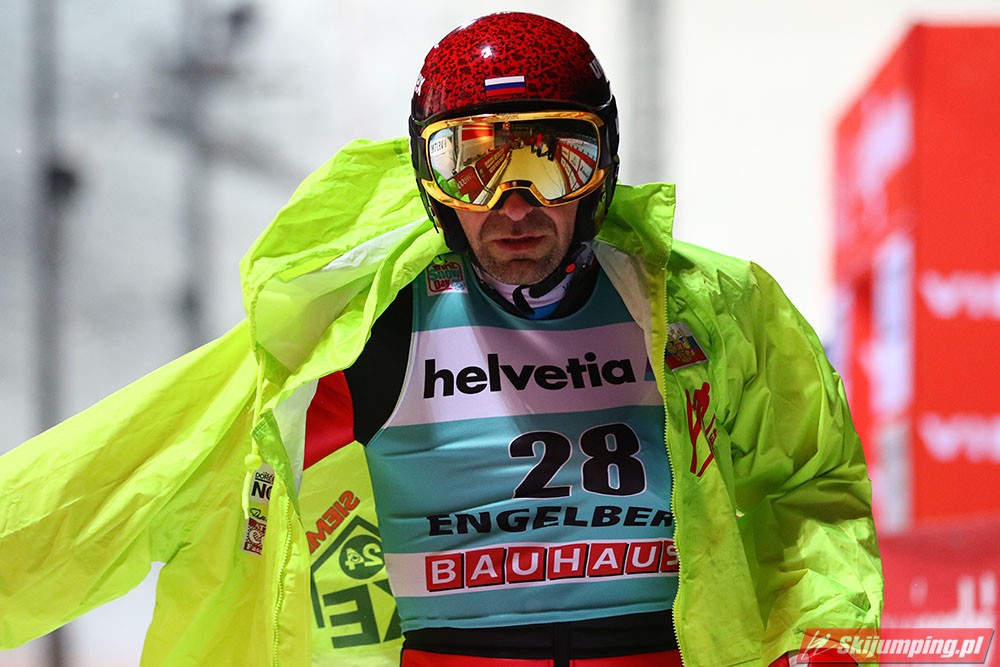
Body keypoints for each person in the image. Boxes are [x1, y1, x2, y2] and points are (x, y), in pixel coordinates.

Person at [0, 11, 882, 667]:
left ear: (603, 167)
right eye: (474, 162)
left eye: (555, 159)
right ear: (429, 178)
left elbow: (811, 490)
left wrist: (826, 640)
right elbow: (126, 476)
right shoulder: (361, 334)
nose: (514, 203)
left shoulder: (706, 311)